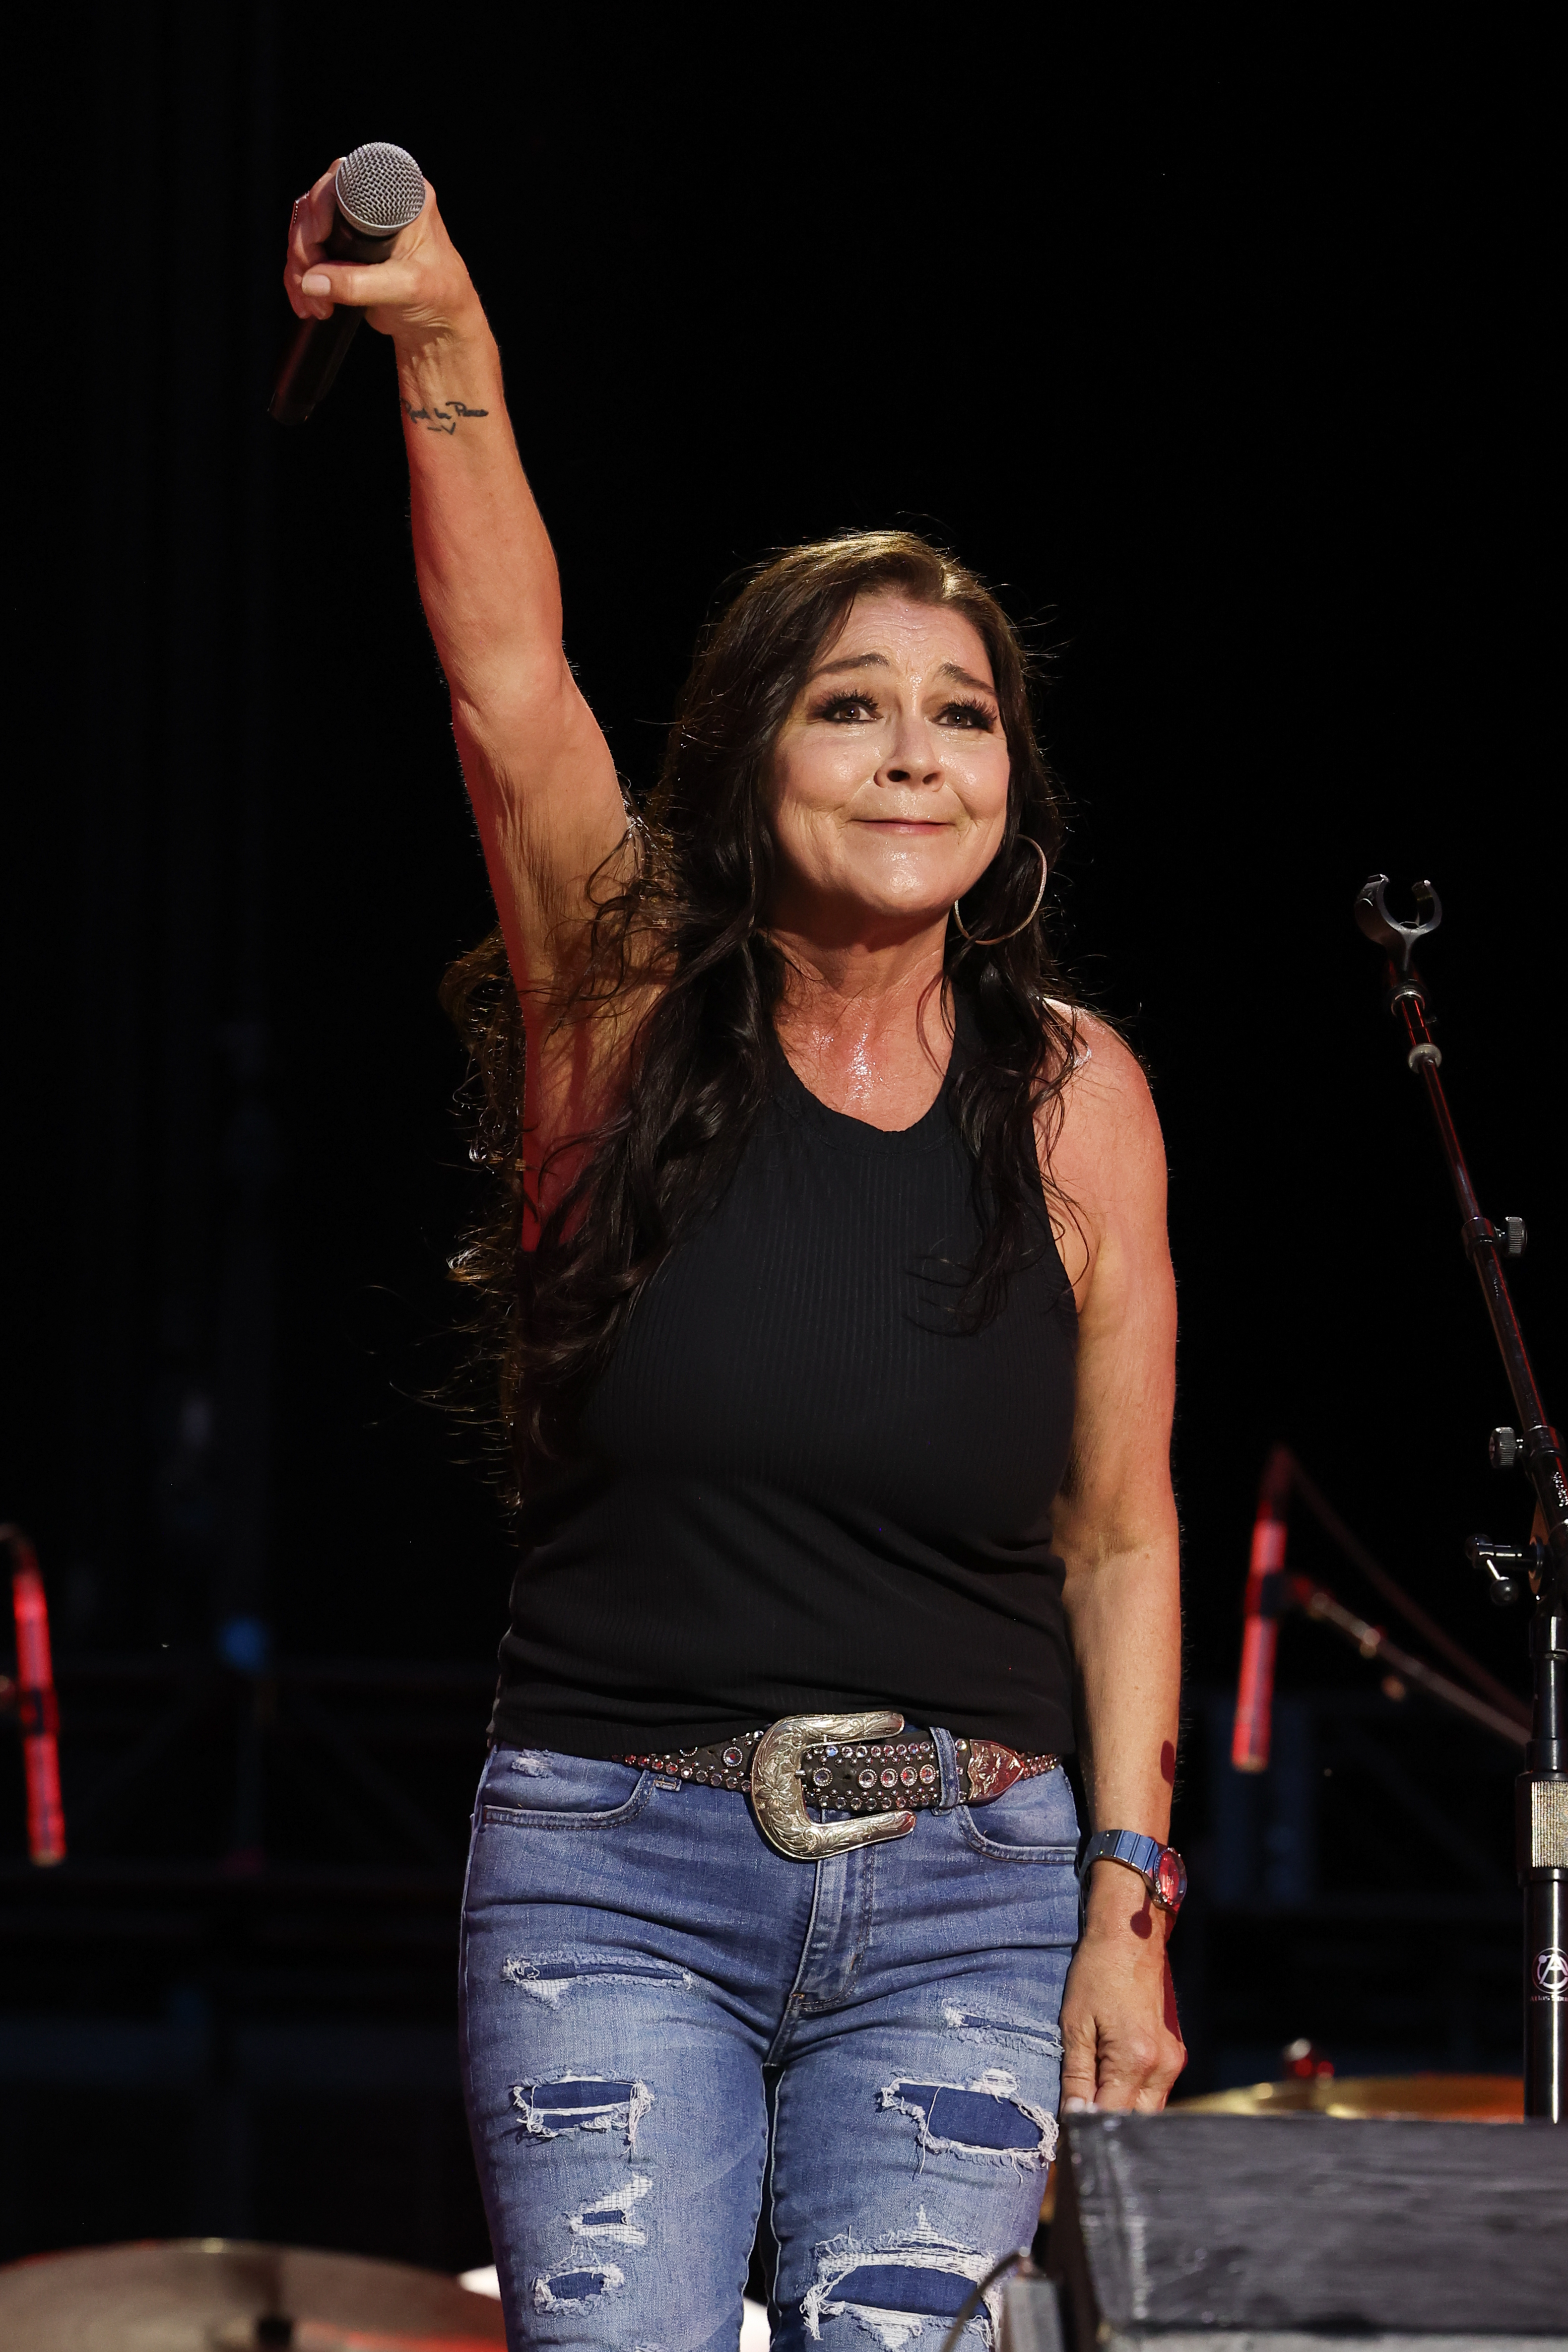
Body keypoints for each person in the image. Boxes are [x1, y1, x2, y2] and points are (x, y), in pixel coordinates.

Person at [285, 162, 1185, 2350]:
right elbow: (507, 681)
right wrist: (444, 344)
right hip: (618, 1874)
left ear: (1012, 797)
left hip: (977, 1893)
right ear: (750, 754)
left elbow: (1122, 1536)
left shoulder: (1075, 1096)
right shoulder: (622, 1004)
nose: (911, 753)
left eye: (959, 714)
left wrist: (1125, 1910)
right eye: (851, 703)